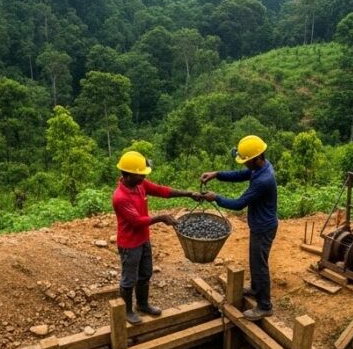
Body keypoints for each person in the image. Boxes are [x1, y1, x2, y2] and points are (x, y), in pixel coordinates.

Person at [113, 151, 200, 324]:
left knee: (145, 273)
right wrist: (160, 218)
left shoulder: (140, 185)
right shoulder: (120, 198)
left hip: (144, 239)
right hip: (129, 244)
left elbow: (162, 191)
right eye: (141, 173)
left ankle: (143, 304)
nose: (144, 176)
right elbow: (137, 221)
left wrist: (188, 193)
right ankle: (127, 311)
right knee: (129, 278)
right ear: (128, 175)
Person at [200, 135, 278, 321]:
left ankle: (265, 306)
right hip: (260, 224)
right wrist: (217, 174)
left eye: (245, 160)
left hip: (263, 227)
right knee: (255, 260)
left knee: (260, 265)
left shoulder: (263, 180)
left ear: (255, 158)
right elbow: (239, 175)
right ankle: (256, 289)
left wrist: (216, 197)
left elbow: (239, 204)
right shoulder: (261, 167)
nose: (244, 164)